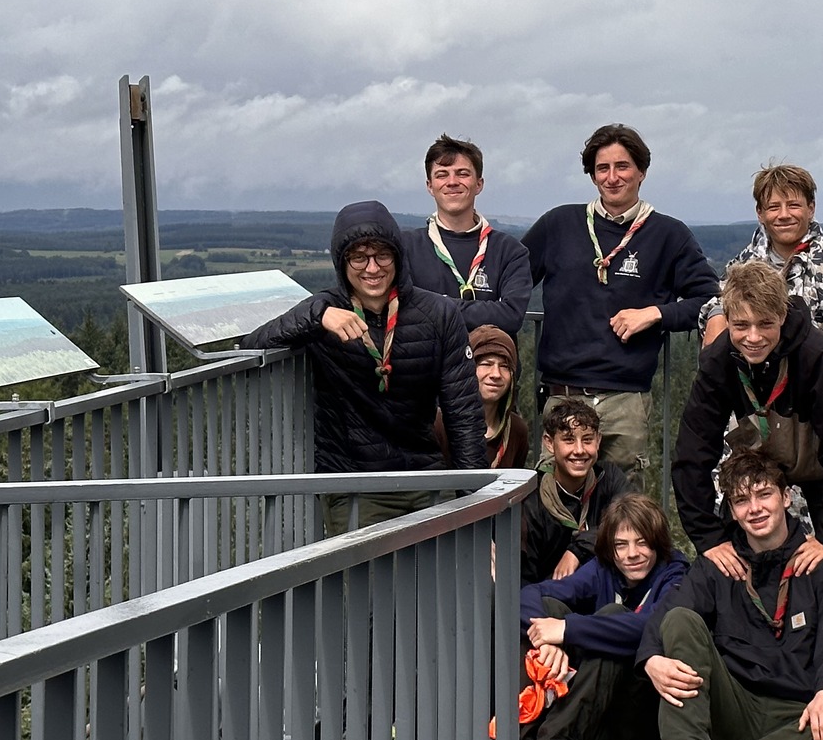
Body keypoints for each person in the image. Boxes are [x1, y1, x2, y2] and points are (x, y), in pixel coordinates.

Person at [622, 448, 823, 740]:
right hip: (733, 705)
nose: (755, 509)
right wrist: (651, 659)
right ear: (731, 511)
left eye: (764, 494)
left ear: (787, 497)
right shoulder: (718, 565)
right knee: (682, 620)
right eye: (741, 500)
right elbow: (668, 616)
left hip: (793, 715)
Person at [244, 201, 486, 532]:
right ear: (341, 262)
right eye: (358, 257)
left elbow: (464, 414)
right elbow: (252, 345)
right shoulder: (324, 313)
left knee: (451, 578)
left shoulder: (438, 315)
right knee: (373, 582)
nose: (371, 268)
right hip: (354, 482)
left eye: (382, 255)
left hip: (426, 475)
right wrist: (317, 318)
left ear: (398, 257)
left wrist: (473, 502)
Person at [521, 124, 718, 489]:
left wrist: (656, 313)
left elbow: (710, 300)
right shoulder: (559, 223)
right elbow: (513, 282)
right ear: (592, 175)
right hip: (562, 395)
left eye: (622, 167)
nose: (612, 178)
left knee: (622, 511)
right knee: (552, 507)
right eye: (602, 168)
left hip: (625, 401)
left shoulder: (668, 235)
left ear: (641, 172)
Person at [672, 262, 823, 576]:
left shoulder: (816, 355)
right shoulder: (719, 360)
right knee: (730, 561)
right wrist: (708, 538)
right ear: (727, 320)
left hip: (819, 463)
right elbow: (693, 450)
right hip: (760, 459)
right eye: (741, 325)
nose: (753, 337)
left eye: (765, 324)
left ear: (783, 318)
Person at [513, 493, 688, 740]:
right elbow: (532, 593)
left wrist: (567, 631)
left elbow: (648, 626)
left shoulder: (675, 574)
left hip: (643, 719)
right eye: (621, 545)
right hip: (595, 712)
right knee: (550, 608)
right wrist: (548, 638)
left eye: (642, 542)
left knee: (610, 618)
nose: (632, 554)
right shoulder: (602, 570)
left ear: (658, 543)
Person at [701, 164, 823, 365]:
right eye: (773, 207)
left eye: (793, 205)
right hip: (759, 388)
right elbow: (722, 297)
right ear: (760, 213)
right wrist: (717, 315)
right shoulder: (746, 262)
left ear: (811, 208)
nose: (784, 215)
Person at [401, 134, 533, 336]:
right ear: (430, 186)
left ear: (479, 184)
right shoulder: (405, 247)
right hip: (430, 366)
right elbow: (404, 312)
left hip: (489, 367)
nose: (452, 182)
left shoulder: (510, 251)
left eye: (462, 173)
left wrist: (434, 305)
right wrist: (486, 310)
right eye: (442, 175)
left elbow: (511, 317)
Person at [517, 397, 629, 586]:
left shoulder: (608, 478)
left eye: (587, 440)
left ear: (598, 441)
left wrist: (578, 550)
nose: (579, 450)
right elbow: (524, 579)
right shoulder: (531, 499)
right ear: (549, 443)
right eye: (568, 440)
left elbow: (630, 522)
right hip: (548, 598)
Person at [470, 324, 529, 469]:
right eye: (486, 364)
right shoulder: (441, 425)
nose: (496, 374)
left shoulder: (517, 430)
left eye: (504, 366)